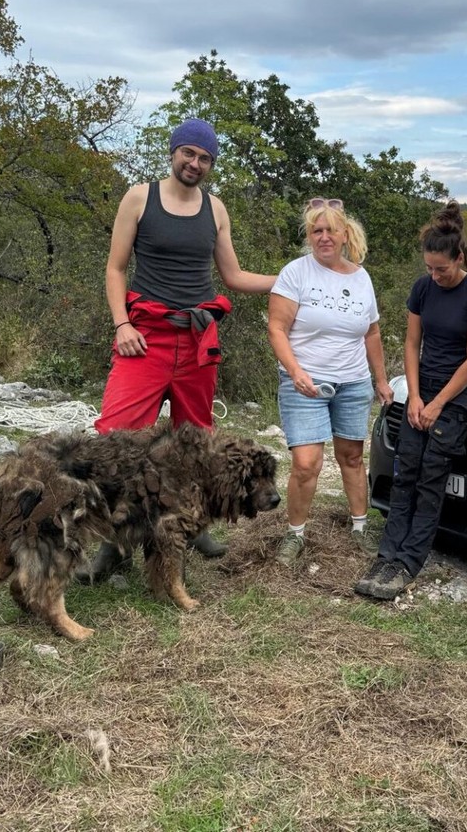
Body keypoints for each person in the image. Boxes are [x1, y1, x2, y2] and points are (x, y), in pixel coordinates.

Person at [80, 118, 277, 583]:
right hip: (143, 336)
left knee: (197, 443)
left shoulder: (217, 209)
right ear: (173, 153)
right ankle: (113, 546)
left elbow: (233, 277)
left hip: (196, 341)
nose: (195, 163)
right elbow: (115, 269)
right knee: (116, 440)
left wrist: (292, 279)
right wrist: (121, 323)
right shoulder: (139, 197)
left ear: (211, 164)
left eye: (205, 158)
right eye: (189, 153)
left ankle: (195, 529)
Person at [355, 202, 467, 600]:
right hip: (423, 388)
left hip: (458, 395)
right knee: (406, 471)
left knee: (432, 473)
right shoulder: (422, 288)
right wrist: (413, 396)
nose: (435, 275)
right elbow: (413, 343)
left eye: (442, 269)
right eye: (429, 268)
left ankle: (409, 561)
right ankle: (387, 554)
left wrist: (437, 406)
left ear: (460, 258)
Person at [267, 198, 395, 567]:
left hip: (352, 383)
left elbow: (371, 333)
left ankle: (359, 528)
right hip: (305, 381)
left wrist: (380, 380)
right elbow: (276, 328)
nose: (323, 237)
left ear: (344, 235)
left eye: (330, 230)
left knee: (352, 457)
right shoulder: (295, 273)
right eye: (316, 231)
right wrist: (295, 371)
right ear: (310, 236)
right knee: (307, 463)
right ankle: (294, 535)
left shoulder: (361, 277)